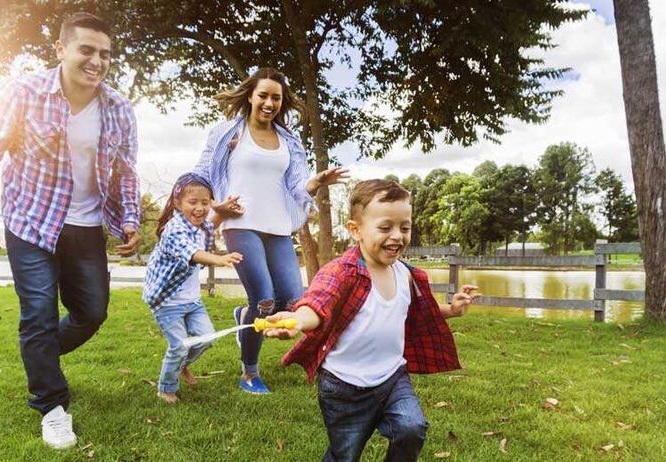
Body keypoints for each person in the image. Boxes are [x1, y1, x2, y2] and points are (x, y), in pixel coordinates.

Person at [0, 12, 140, 449]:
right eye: (87, 50)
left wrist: (129, 217)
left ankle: (39, 358)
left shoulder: (119, 108)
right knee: (37, 312)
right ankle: (51, 403)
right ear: (60, 49)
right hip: (32, 221)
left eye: (106, 54)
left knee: (91, 313)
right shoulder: (21, 92)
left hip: (87, 225)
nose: (97, 61)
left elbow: (125, 173)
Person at [264, 179, 479, 462]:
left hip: (392, 377)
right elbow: (319, 303)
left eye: (405, 227)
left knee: (411, 429)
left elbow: (417, 310)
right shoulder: (342, 272)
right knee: (345, 454)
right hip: (343, 386)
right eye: (385, 227)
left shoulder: (405, 274)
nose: (398, 236)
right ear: (356, 230)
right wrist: (297, 320)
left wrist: (451, 309)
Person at [193, 67, 348, 394]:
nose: (269, 102)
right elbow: (202, 174)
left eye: (276, 97)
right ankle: (249, 373)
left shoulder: (289, 140)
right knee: (263, 299)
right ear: (250, 95)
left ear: (282, 101)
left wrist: (316, 182)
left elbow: (295, 186)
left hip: (277, 225)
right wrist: (213, 208)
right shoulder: (226, 133)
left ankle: (243, 317)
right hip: (240, 223)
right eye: (263, 95)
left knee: (293, 300)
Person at [143, 173, 243, 404]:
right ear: (178, 204)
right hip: (167, 301)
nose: (199, 208)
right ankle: (166, 388)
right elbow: (193, 253)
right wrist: (219, 259)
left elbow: (211, 223)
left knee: (206, 338)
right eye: (193, 202)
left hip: (192, 300)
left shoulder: (201, 226)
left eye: (205, 203)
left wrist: (222, 210)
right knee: (178, 346)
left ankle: (182, 365)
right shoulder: (174, 229)